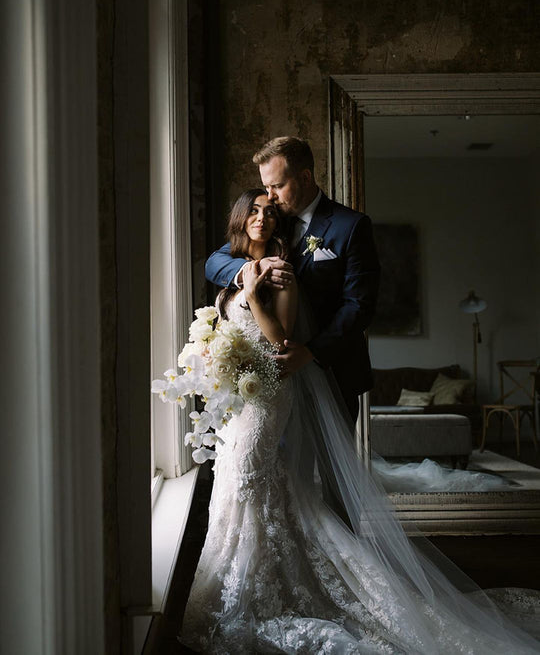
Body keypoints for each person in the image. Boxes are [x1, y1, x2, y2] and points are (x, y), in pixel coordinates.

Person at [179, 188, 540, 653]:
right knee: (241, 486)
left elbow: (281, 340)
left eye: (270, 211)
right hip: (236, 401)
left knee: (251, 479)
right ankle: (239, 579)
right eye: (253, 210)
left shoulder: (283, 274)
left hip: (269, 397)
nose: (263, 217)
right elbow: (222, 294)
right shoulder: (228, 268)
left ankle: (256, 586)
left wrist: (254, 293)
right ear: (239, 217)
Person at [205, 136, 380, 425]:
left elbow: (359, 305)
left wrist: (311, 352)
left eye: (277, 186)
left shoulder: (351, 226)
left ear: (305, 177)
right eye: (266, 187)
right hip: (273, 380)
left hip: (331, 370)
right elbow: (215, 262)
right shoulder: (269, 219)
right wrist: (255, 269)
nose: (270, 196)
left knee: (328, 471)